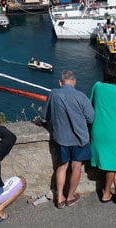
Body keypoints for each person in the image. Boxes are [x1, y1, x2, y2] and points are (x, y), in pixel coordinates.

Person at [42, 69, 94, 209]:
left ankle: (59, 198)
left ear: (60, 82)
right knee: (76, 166)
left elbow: (45, 117)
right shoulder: (81, 96)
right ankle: (70, 197)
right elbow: (91, 118)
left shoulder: (53, 94)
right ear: (74, 82)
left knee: (62, 166)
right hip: (79, 139)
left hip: (61, 138)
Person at [89, 62, 116, 204]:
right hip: (114, 132)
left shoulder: (97, 86)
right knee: (114, 162)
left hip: (99, 131)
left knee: (114, 162)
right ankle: (106, 193)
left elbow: (91, 104)